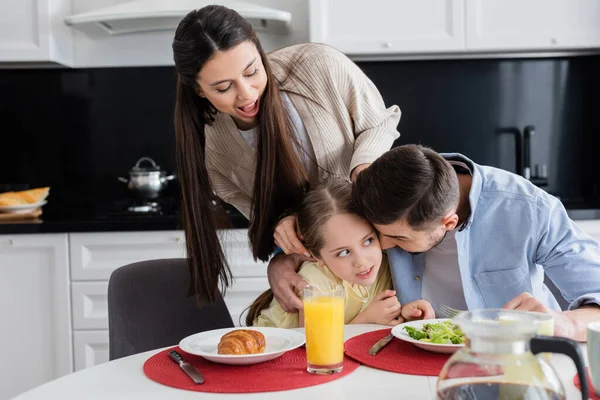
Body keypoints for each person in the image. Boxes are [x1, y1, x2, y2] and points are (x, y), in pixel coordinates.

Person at [171, 5, 400, 303]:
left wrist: (364, 167)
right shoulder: (214, 153)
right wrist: (281, 249)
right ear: (199, 91)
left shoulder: (319, 65)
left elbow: (380, 122)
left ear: (259, 50)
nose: (247, 94)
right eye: (224, 87)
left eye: (252, 71)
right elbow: (267, 219)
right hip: (320, 274)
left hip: (382, 247)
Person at [350, 144, 600, 341]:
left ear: (448, 223)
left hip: (515, 358)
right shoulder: (383, 195)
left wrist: (563, 323)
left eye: (398, 237)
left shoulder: (530, 208)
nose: (383, 246)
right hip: (413, 356)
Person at [246, 178, 434, 328]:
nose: (362, 261)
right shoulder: (315, 283)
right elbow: (312, 348)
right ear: (316, 256)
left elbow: (381, 316)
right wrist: (367, 319)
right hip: (272, 353)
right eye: (344, 252)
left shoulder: (385, 265)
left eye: (368, 241)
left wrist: (406, 313)